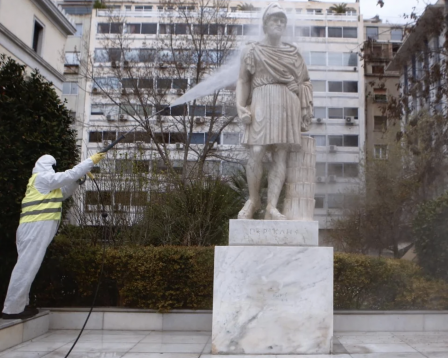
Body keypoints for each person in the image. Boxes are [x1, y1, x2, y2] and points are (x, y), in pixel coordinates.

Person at [2, 153, 106, 319]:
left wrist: (78, 180)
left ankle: (19, 305)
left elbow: (63, 192)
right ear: (45, 166)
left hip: (34, 226)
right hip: (35, 226)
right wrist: (89, 162)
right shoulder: (41, 178)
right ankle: (12, 309)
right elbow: (67, 176)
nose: (53, 170)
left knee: (28, 267)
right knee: (26, 267)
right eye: (51, 166)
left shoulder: (44, 183)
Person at [236, 3, 313, 220]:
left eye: (282, 21)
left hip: (287, 104)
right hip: (261, 100)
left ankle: (271, 206)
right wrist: (241, 107)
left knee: (280, 153)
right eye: (274, 20)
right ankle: (253, 200)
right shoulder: (252, 50)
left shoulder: (293, 52)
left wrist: (298, 89)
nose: (278, 24)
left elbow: (305, 81)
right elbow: (242, 80)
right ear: (265, 24)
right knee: (257, 150)